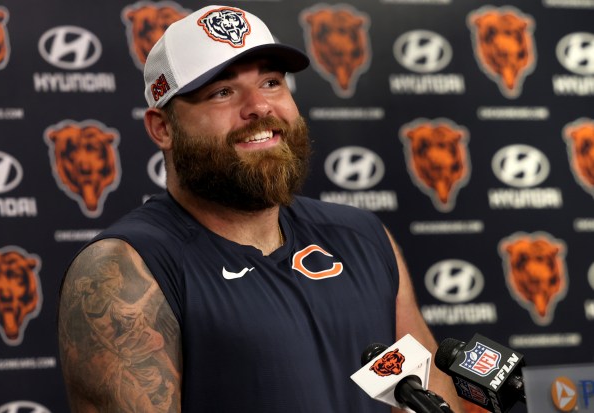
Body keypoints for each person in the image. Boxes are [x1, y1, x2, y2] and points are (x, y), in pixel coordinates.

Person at [57, 5, 463, 413]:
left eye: (271, 82)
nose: (259, 107)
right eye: (222, 91)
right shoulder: (127, 270)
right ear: (162, 128)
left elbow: (421, 396)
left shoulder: (362, 236)